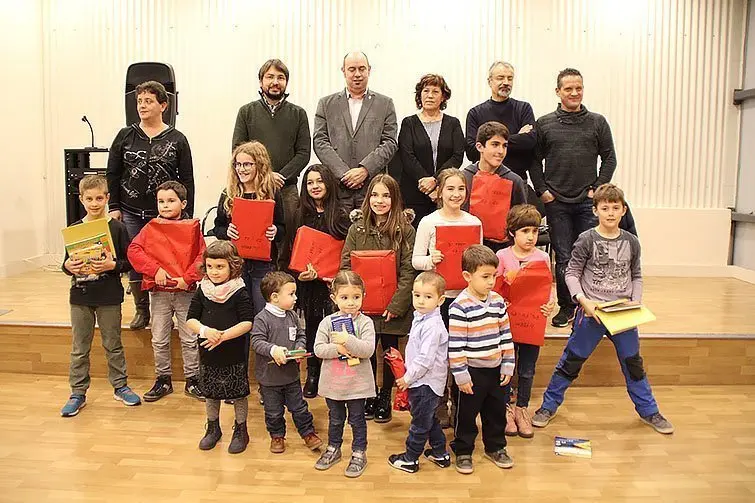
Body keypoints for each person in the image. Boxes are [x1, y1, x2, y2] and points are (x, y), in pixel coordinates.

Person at [532, 184, 675, 435]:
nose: (610, 212)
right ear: (595, 210)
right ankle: (548, 406)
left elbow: (636, 275)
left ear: (624, 210)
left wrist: (636, 300)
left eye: (615, 208)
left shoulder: (632, 242)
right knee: (571, 362)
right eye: (605, 208)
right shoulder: (586, 239)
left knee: (633, 364)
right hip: (592, 314)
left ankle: (649, 411)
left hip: (623, 315)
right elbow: (572, 272)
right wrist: (582, 300)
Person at [529, 68, 617, 328]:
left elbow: (610, 157)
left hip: (587, 203)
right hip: (557, 203)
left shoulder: (597, 122)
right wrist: (543, 191)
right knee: (564, 257)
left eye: (578, 87)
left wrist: (598, 190)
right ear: (558, 92)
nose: (574, 92)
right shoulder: (544, 124)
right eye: (568, 88)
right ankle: (566, 307)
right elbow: (535, 162)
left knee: (590, 255)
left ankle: (588, 306)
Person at [106, 80, 195, 330]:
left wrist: (185, 214)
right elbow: (112, 173)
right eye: (139, 101)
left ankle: (171, 312)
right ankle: (142, 310)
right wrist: (114, 206)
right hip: (131, 210)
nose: (142, 106)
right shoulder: (125, 135)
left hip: (167, 216)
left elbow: (187, 178)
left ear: (163, 105)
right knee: (137, 260)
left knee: (168, 260)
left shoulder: (178, 139)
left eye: (148, 101)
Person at [60, 175, 141, 417]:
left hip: (109, 295)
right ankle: (77, 392)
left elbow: (129, 263)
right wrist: (67, 267)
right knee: (79, 347)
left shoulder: (117, 228)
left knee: (113, 343)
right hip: (80, 296)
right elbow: (65, 263)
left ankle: (120, 386)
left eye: (99, 198)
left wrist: (112, 265)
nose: (94, 203)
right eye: (89, 199)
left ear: (107, 198)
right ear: (81, 199)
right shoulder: (74, 229)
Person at [340, 174, 416, 423]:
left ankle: (385, 395)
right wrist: (353, 301)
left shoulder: (405, 230)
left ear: (394, 199)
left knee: (390, 350)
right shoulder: (356, 229)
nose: (379, 200)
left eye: (386, 195)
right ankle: (370, 393)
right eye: (374, 194)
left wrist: (396, 304)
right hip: (362, 308)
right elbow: (346, 266)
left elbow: (409, 271)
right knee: (367, 351)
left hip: (393, 306)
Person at [412, 168, 482, 428]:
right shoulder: (429, 222)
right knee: (438, 354)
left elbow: (479, 262)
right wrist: (432, 260)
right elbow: (415, 260)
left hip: (465, 299)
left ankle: (459, 404)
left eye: (460, 189)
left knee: (461, 352)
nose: (455, 194)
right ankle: (439, 403)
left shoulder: (474, 223)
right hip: (438, 300)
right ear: (439, 192)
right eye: (450, 188)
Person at [127, 181, 205, 402]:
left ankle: (193, 379)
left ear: (183, 203)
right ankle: (163, 379)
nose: (165, 205)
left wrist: (187, 278)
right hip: (159, 293)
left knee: (190, 337)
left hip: (185, 292)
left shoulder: (192, 228)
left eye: (171, 201)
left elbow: (202, 257)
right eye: (161, 201)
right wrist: (155, 270)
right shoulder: (150, 227)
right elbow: (134, 250)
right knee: (159, 337)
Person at [232, 59, 311, 269]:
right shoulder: (246, 112)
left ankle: (284, 293)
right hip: (252, 191)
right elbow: (238, 150)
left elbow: (304, 153)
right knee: (253, 244)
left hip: (286, 190)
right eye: (270, 77)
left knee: (286, 243)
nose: (275, 82)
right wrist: (264, 177)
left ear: (286, 82)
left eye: (281, 77)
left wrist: (280, 176)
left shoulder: (298, 114)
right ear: (260, 81)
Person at [283, 165, 350, 398]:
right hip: (308, 285)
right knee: (312, 328)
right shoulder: (299, 214)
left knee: (338, 328)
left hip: (334, 286)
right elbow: (290, 251)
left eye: (320, 181)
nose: (315, 186)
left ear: (329, 184)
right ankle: (313, 374)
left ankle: (338, 375)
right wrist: (299, 275)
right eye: (310, 182)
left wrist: (337, 275)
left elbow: (347, 251)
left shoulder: (341, 214)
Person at [449, 245, 515, 474]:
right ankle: (464, 450)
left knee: (495, 412)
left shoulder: (497, 301)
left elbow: (506, 334)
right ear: (468, 276)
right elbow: (455, 344)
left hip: (495, 369)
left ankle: (495, 447)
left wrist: (508, 363)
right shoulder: (459, 306)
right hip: (471, 372)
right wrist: (460, 375)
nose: (490, 282)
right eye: (485, 277)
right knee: (466, 415)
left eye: (493, 276)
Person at [187, 241, 255, 454]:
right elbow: (190, 320)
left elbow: (247, 322)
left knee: (237, 391)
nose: (214, 272)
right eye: (210, 267)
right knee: (211, 390)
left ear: (232, 266)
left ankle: (241, 429)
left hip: (233, 349)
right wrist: (206, 332)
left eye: (220, 267)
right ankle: (213, 427)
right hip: (208, 349)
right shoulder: (202, 290)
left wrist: (223, 336)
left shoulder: (239, 291)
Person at [495, 204, 555, 438]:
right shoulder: (502, 256)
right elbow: (496, 288)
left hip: (531, 323)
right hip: (507, 324)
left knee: (527, 369)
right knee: (505, 367)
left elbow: (546, 289)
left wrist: (549, 304)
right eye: (525, 231)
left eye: (534, 231)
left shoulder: (542, 257)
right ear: (512, 232)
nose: (531, 237)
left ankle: (522, 409)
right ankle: (505, 409)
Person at [313, 51, 398, 211]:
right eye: (352, 69)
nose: (357, 74)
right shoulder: (326, 104)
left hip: (373, 188)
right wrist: (344, 173)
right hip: (338, 187)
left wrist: (364, 170)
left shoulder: (385, 104)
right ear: (343, 71)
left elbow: (390, 143)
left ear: (369, 70)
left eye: (362, 69)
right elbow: (319, 142)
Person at [251, 271, 323, 454]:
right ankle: (277, 436)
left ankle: (308, 433)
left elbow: (300, 335)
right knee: (273, 412)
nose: (295, 297)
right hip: (270, 379)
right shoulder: (262, 319)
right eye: (291, 294)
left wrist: (299, 348)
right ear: (274, 297)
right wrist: (273, 350)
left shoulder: (292, 316)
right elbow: (257, 342)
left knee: (299, 407)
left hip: (291, 376)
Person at [313, 271, 376, 478]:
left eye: (356, 297)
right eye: (345, 297)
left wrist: (347, 340)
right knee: (336, 419)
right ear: (334, 298)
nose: (350, 303)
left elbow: (368, 350)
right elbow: (318, 350)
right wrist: (337, 349)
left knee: (357, 420)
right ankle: (333, 448)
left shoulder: (366, 323)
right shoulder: (327, 322)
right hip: (334, 384)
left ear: (363, 296)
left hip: (357, 385)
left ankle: (359, 452)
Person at [388, 271, 451, 473]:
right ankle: (440, 453)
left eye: (428, 296)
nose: (421, 301)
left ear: (440, 300)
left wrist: (407, 378)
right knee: (429, 418)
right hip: (421, 381)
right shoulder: (422, 318)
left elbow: (425, 359)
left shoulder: (433, 326)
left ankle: (410, 458)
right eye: (417, 295)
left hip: (426, 382)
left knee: (419, 423)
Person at [213, 141, 286, 317]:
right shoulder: (228, 193)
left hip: (263, 264)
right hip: (236, 264)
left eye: (247, 164)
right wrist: (226, 232)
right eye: (238, 164)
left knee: (262, 311)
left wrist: (275, 231)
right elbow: (217, 227)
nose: (241, 169)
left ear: (259, 165)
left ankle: (260, 344)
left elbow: (283, 228)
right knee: (239, 313)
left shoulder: (272, 193)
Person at [395, 74, 464, 225]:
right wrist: (426, 184)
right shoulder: (409, 123)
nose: (430, 96)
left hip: (444, 193)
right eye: (426, 91)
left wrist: (435, 181)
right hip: (414, 194)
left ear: (443, 97)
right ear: (420, 95)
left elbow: (457, 156)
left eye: (435, 91)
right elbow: (407, 156)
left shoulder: (453, 123)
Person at [465, 61, 536, 182]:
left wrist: (489, 145)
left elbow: (530, 142)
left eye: (510, 78)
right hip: (483, 182)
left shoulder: (523, 108)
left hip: (517, 180)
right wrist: (517, 137)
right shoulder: (475, 113)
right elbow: (472, 151)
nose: (506, 83)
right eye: (500, 78)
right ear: (490, 81)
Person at [462, 121, 528, 252]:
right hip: (469, 247)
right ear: (480, 147)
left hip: (502, 249)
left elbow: (521, 219)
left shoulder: (514, 180)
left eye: (504, 146)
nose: (500, 151)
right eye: (495, 145)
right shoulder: (464, 177)